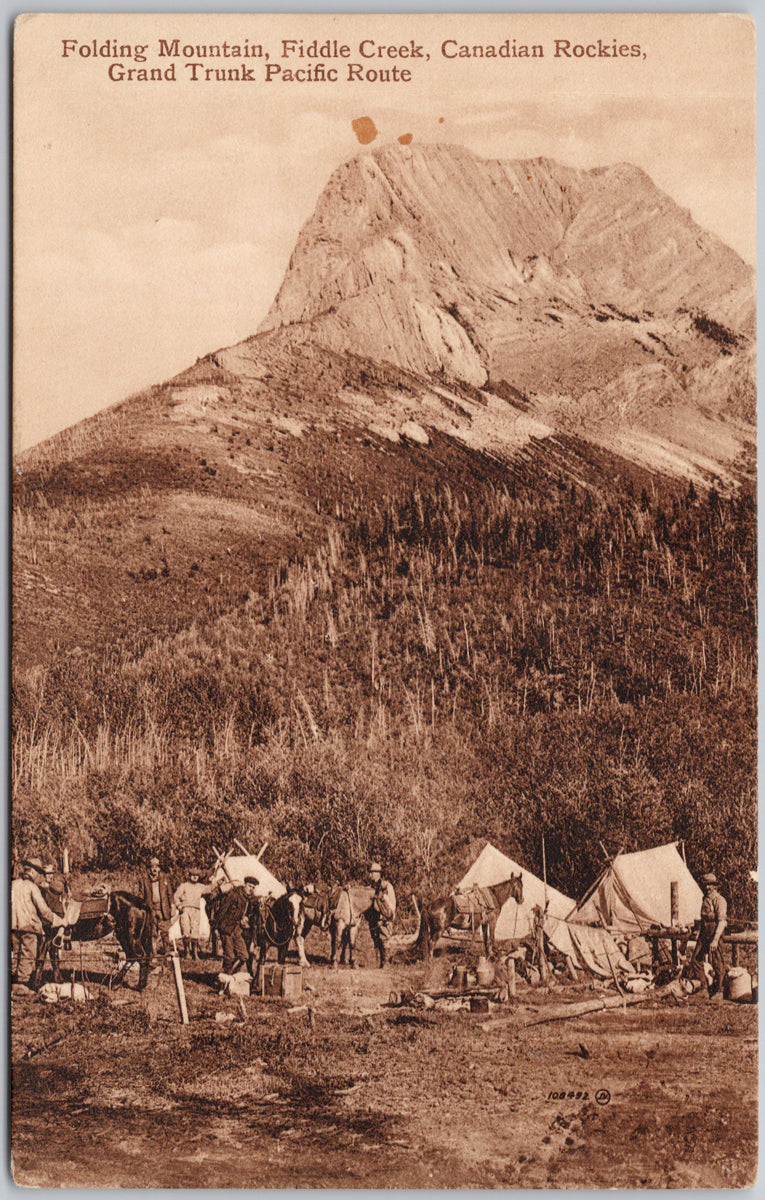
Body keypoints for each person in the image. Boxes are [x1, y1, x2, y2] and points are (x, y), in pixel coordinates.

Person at [11, 857, 66, 992]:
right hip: (29, 927)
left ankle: (12, 981)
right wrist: (60, 921)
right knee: (27, 955)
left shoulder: (12, 885)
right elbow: (44, 911)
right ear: (33, 872)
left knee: (15, 954)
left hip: (12, 926)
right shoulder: (32, 887)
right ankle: (22, 986)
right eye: (38, 873)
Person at [211, 875, 259, 977]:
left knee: (244, 956)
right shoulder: (234, 895)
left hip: (237, 930)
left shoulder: (248, 899)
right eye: (250, 886)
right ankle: (226, 979)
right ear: (245, 885)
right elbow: (222, 911)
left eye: (253, 888)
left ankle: (229, 975)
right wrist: (215, 927)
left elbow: (255, 903)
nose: (251, 889)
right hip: (226, 929)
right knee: (230, 956)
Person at [689, 872, 727, 998]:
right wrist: (698, 932)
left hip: (715, 934)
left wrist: (715, 940)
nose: (707, 888)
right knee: (695, 960)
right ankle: (704, 988)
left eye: (710, 885)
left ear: (715, 887)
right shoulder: (704, 899)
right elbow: (703, 919)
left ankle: (720, 991)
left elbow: (722, 922)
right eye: (705, 885)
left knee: (717, 962)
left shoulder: (720, 901)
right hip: (704, 934)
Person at [33, 866, 69, 987]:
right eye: (47, 874)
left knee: (52, 949)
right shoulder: (41, 888)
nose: (49, 876)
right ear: (44, 875)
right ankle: (38, 979)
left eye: (51, 874)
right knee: (43, 950)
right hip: (46, 922)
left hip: (54, 921)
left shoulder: (55, 887)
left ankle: (56, 977)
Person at [137, 856, 176, 955]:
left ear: (159, 869)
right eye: (152, 867)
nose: (154, 869)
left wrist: (173, 906)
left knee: (165, 931)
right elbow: (141, 895)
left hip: (163, 909)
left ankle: (166, 951)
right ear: (149, 869)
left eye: (156, 867)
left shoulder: (164, 879)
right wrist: (141, 906)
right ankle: (153, 953)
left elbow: (170, 894)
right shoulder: (144, 880)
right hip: (151, 909)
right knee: (152, 932)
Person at [173, 868, 210, 960]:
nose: (195, 877)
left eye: (196, 876)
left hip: (196, 910)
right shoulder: (184, 886)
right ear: (189, 876)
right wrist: (179, 906)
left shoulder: (200, 886)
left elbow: (209, 889)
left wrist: (218, 883)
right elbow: (176, 897)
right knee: (186, 931)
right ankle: (187, 952)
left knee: (195, 932)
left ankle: (195, 953)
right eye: (193, 875)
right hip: (185, 910)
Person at [367, 861, 396, 968]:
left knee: (385, 939)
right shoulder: (370, 888)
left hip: (385, 918)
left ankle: (386, 962)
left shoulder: (387, 887)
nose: (371, 875)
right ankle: (380, 963)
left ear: (378, 874)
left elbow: (392, 904)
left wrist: (388, 916)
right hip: (374, 919)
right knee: (376, 940)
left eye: (373, 872)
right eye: (371, 873)